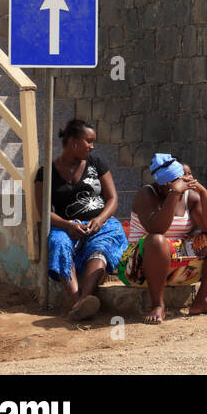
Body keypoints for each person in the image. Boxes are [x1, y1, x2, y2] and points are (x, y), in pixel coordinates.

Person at [117, 153, 207, 323]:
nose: (185, 181)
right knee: (157, 240)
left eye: (185, 177)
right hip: (138, 268)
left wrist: (203, 192)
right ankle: (158, 304)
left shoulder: (190, 196)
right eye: (180, 178)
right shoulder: (146, 194)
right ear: (165, 183)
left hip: (179, 266)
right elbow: (157, 228)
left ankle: (202, 300)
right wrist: (174, 194)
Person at [33, 119, 128, 322]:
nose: (92, 146)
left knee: (101, 246)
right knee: (58, 243)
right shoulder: (46, 173)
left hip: (100, 224)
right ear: (74, 141)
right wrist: (68, 225)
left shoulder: (97, 164)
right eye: (89, 141)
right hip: (66, 226)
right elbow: (43, 212)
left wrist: (100, 220)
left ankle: (85, 300)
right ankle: (76, 300)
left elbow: (112, 198)